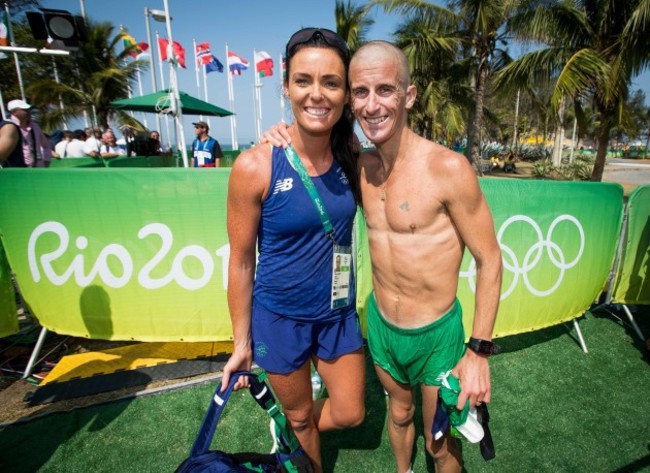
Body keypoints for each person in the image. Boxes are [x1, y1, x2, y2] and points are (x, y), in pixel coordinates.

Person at [264, 40, 503, 473]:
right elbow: (306, 148)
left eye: (386, 90)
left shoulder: (448, 169)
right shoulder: (356, 165)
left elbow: (490, 260)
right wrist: (277, 132)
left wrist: (479, 353)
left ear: (409, 95)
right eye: (361, 92)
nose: (372, 105)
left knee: (440, 445)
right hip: (382, 329)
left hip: (436, 336)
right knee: (398, 414)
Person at [220, 28, 365, 473]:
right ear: (286, 86)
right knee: (302, 417)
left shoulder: (351, 155)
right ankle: (297, 434)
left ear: (345, 95)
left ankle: (290, 428)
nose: (316, 94)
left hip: (337, 313)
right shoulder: (255, 165)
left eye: (331, 82)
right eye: (304, 80)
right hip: (279, 317)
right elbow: (242, 261)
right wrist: (240, 341)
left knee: (351, 413)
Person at [7, 99, 52, 167]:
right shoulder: (8, 126)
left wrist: (47, 160)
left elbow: (46, 145)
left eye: (29, 109)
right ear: (14, 112)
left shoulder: (35, 126)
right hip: (17, 169)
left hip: (38, 168)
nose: (29, 112)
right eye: (24, 110)